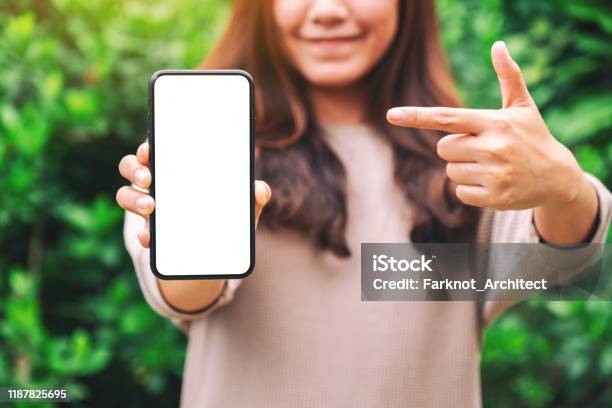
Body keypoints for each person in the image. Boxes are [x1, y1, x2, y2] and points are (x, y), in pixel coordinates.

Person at [116, 1, 611, 406]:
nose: (328, 10)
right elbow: (185, 294)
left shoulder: (465, 161)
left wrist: (562, 187)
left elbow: (567, 264)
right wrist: (206, 227)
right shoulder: (207, 152)